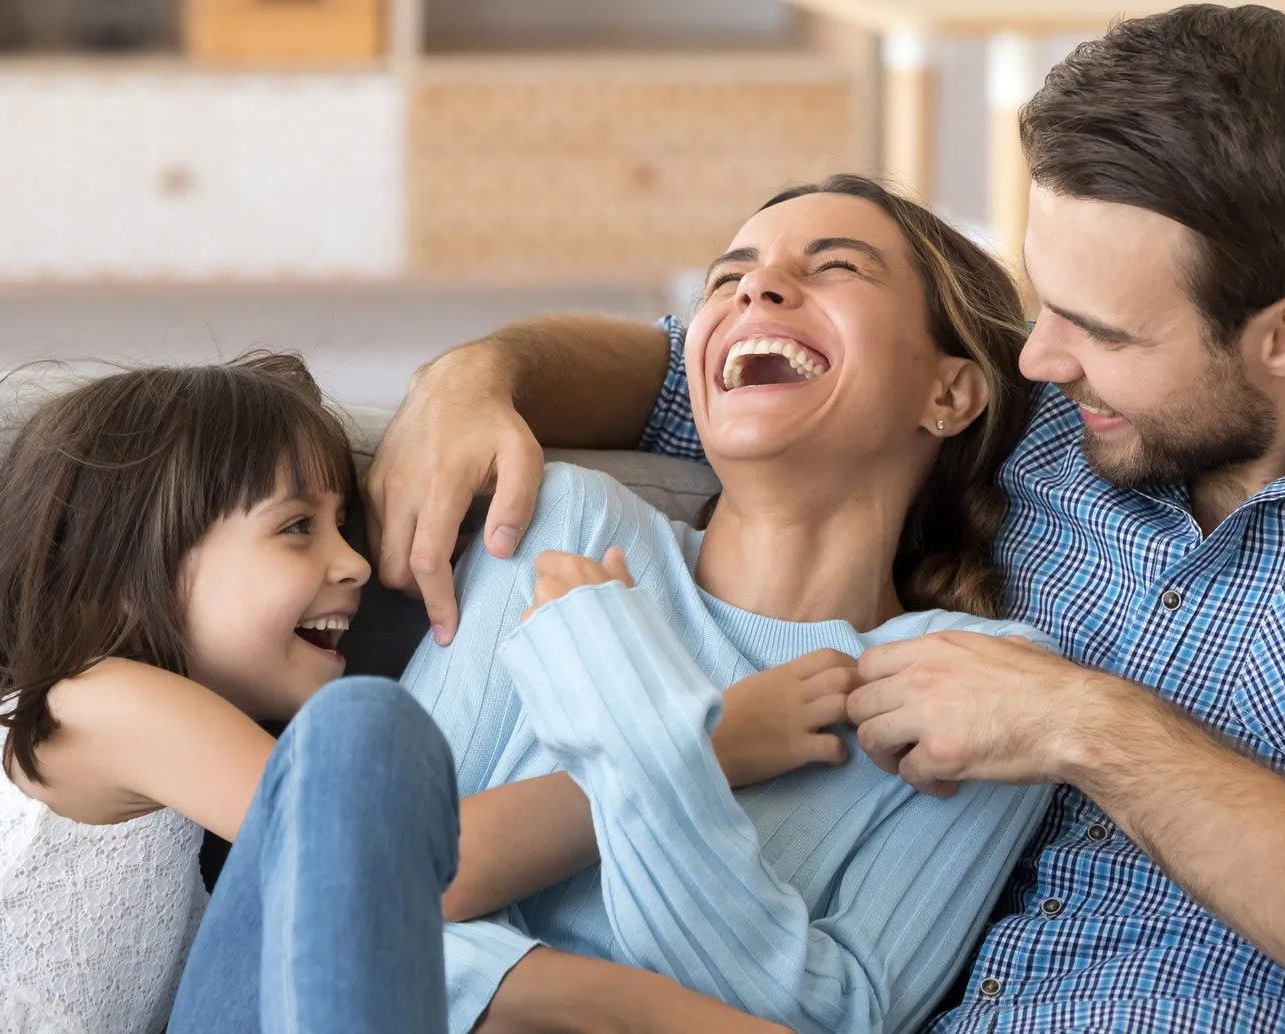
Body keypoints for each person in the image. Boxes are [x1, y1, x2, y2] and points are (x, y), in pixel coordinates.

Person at [367, 6, 1285, 1032]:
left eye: (1096, 329)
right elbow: (705, 367)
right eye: (1040, 303)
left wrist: (1087, 725)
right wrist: (480, 372)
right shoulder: (1032, 418)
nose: (1038, 356)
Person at [393, 172, 1056, 1034]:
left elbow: (827, 1020)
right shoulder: (570, 525)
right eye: (726, 277)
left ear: (949, 393)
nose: (757, 287)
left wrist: (634, 710)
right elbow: (354, 883)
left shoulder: (976, 689)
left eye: (839, 267)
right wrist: (709, 747)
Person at [0, 354, 459, 1033]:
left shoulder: (166, 811)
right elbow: (389, 855)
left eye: (344, 526)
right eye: (298, 526)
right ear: (128, 578)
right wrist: (575, 780)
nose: (357, 562)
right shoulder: (105, 704)